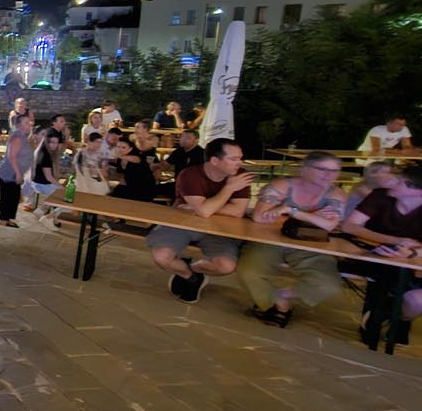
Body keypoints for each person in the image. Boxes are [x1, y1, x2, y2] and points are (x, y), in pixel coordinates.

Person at [237, 153, 347, 327]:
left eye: (334, 171)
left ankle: (279, 296)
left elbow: (328, 225)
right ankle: (280, 305)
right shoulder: (281, 185)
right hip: (271, 239)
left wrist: (290, 210)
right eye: (322, 169)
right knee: (249, 272)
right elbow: (260, 217)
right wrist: (313, 217)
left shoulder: (336, 194)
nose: (329, 175)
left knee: (328, 284)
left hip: (312, 244)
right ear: (305, 169)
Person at [146, 138, 253, 303]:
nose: (240, 163)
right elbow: (204, 212)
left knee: (226, 266)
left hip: (220, 228)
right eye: (234, 159)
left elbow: (237, 212)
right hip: (182, 222)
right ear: (215, 161)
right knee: (162, 257)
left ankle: (192, 268)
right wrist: (229, 189)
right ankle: (191, 277)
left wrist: (202, 207)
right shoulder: (190, 175)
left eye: (240, 158)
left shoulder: (240, 176)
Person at [343, 164, 422, 347]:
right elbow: (349, 226)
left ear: (417, 191)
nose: (390, 182)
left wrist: (412, 253)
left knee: (415, 299)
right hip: (373, 255)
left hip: (412, 262)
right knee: (386, 275)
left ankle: (386, 314)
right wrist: (396, 241)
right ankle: (380, 320)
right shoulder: (380, 196)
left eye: (399, 181)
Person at [0, 113, 34, 228]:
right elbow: (11, 156)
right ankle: (3, 222)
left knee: (13, 197)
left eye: (29, 122)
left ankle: (6, 220)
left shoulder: (23, 136)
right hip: (10, 173)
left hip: (14, 172)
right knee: (8, 197)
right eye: (26, 123)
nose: (29, 124)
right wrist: (18, 173)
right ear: (19, 125)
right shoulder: (17, 137)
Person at [29, 128, 64, 229]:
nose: (54, 145)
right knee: (67, 198)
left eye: (56, 143)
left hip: (37, 182)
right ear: (46, 141)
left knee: (63, 194)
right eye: (52, 142)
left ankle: (42, 211)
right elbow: (49, 177)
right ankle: (49, 217)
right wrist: (62, 187)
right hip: (41, 184)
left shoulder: (42, 150)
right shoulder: (45, 155)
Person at [108, 137, 157, 202]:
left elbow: (135, 159)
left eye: (123, 147)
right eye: (118, 147)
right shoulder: (121, 158)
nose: (120, 149)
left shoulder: (137, 156)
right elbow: (122, 174)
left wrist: (116, 155)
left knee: (117, 194)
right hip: (131, 186)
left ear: (130, 149)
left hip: (144, 189)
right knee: (116, 191)